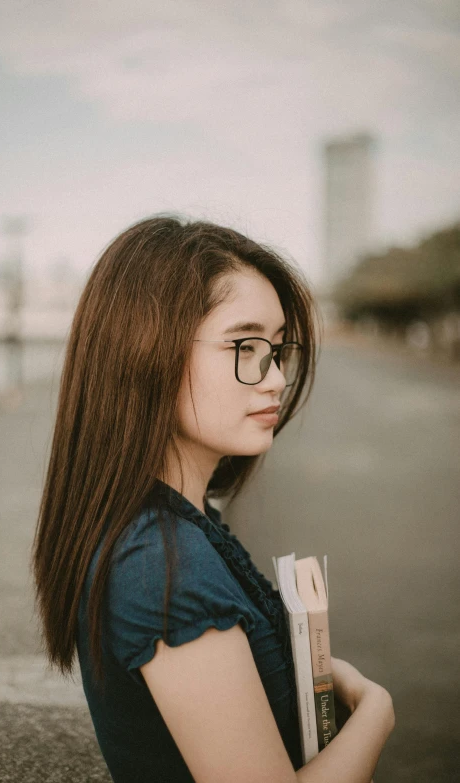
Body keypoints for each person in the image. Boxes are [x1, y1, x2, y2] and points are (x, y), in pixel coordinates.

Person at [31, 214, 395, 782]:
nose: (273, 378)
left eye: (275, 351)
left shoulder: (178, 523)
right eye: (245, 346)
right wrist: (376, 711)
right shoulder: (161, 566)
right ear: (145, 350)